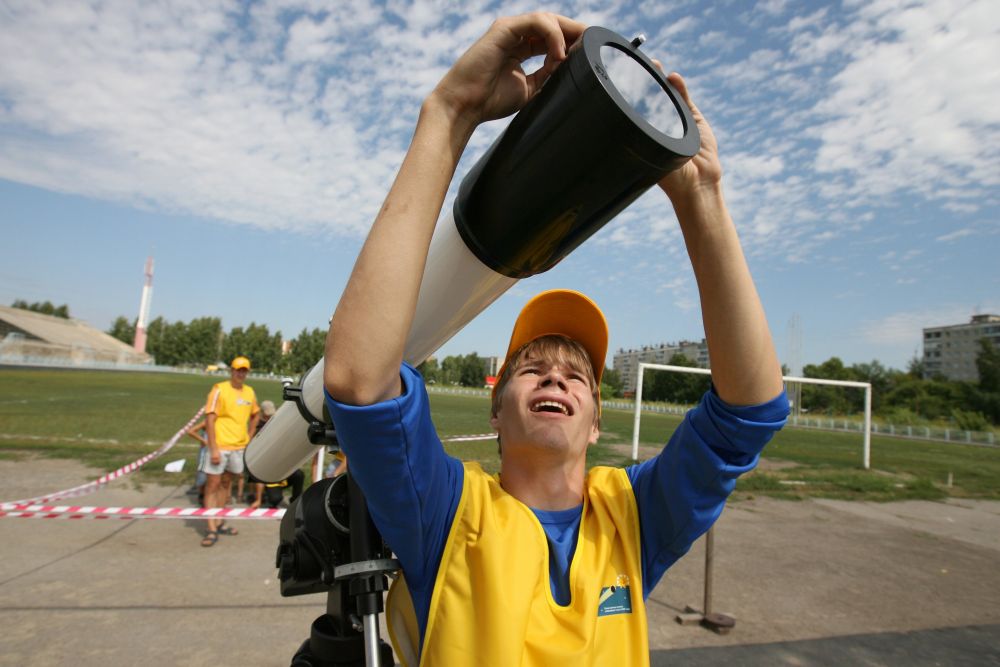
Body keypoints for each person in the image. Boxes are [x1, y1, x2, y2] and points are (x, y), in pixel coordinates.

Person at [323, 12, 789, 665]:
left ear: (596, 421)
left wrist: (703, 197)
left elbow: (749, 412)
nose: (556, 377)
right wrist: (450, 112)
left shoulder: (633, 520)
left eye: (578, 376)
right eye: (531, 367)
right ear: (494, 409)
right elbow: (360, 380)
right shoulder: (448, 514)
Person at [200, 355, 260, 547]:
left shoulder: (249, 392)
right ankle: (210, 528)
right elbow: (209, 419)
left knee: (226, 485)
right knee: (213, 485)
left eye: (244, 370)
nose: (240, 373)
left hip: (238, 447)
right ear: (231, 370)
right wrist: (213, 448)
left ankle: (219, 522)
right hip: (220, 446)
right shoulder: (219, 389)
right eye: (237, 369)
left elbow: (256, 414)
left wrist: (249, 436)